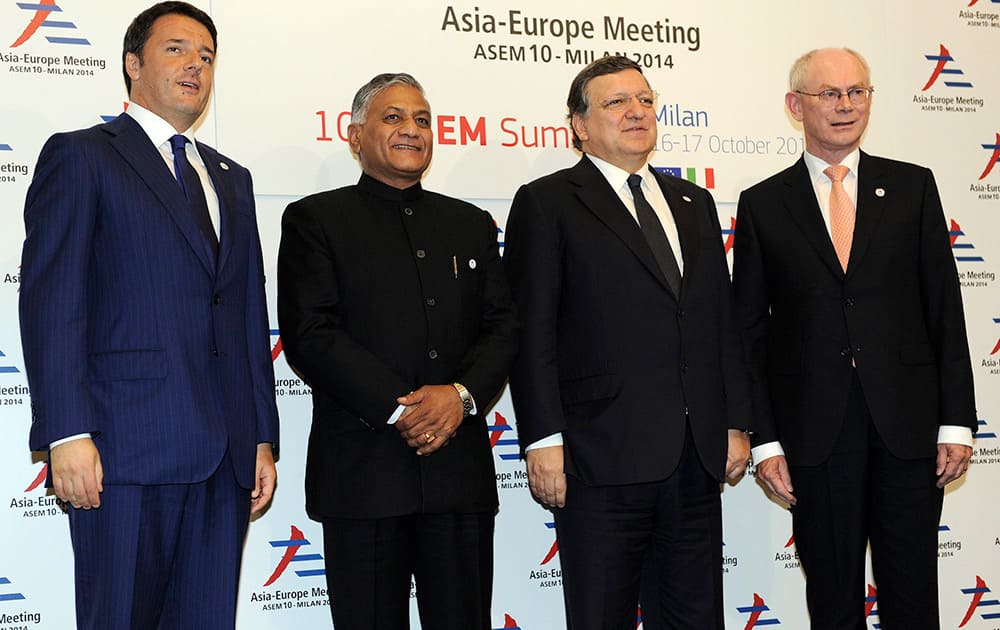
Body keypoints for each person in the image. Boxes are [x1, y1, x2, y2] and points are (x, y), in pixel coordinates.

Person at [18, 2, 279, 628]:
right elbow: (52, 302)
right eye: (177, 49)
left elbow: (245, 317)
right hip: (121, 454)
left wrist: (261, 435)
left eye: (207, 56)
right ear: (132, 64)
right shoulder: (82, 156)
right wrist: (66, 433)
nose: (196, 64)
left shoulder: (231, 179)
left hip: (224, 460)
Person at [502, 55, 751, 630]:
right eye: (615, 102)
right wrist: (542, 438)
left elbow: (720, 326)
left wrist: (737, 420)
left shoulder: (694, 203)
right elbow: (531, 331)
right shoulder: (547, 202)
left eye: (644, 99)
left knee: (694, 617)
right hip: (597, 456)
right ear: (580, 125)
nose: (636, 111)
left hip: (694, 455)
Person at [732, 47, 977, 629]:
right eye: (829, 94)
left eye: (857, 92)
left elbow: (944, 309)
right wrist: (765, 442)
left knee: (914, 593)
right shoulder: (763, 204)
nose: (846, 106)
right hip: (814, 436)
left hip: (910, 432)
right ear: (796, 106)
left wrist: (957, 421)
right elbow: (749, 335)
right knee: (833, 598)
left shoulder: (914, 188)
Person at [277, 72, 517, 630]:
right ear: (354, 135)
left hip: (459, 478)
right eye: (393, 117)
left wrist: (459, 397)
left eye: (423, 119)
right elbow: (310, 333)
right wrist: (401, 406)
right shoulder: (317, 220)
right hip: (363, 478)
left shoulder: (471, 224)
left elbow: (503, 328)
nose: (412, 129)